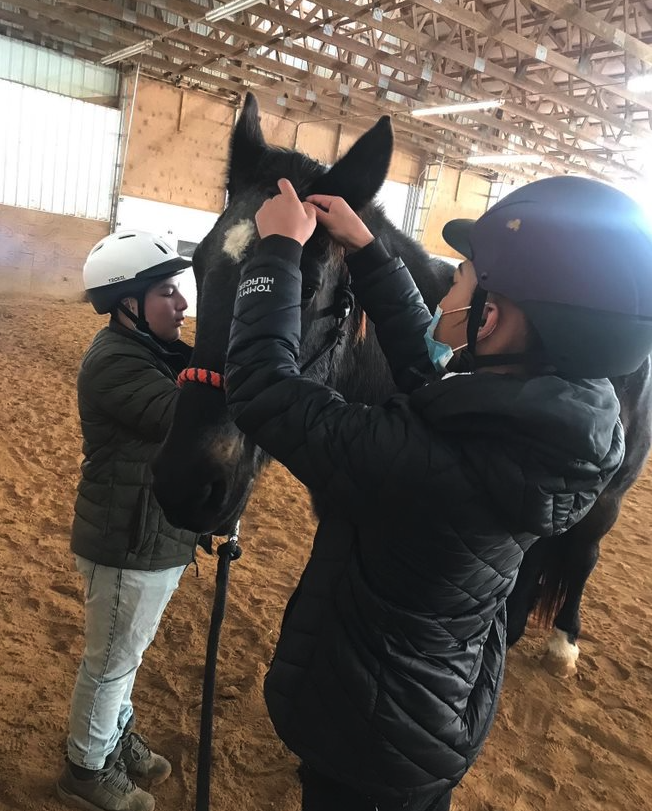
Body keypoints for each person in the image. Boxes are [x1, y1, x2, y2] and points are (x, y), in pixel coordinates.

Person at [223, 175, 652, 811]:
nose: (449, 287)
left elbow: (262, 389)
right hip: (429, 712)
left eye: (462, 279)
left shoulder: (424, 463)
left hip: (361, 739)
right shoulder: (550, 427)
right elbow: (433, 383)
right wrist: (368, 252)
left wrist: (276, 254)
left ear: (495, 320)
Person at [57, 230, 205, 811]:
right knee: (110, 662)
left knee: (125, 655)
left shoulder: (153, 352)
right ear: (128, 304)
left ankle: (109, 739)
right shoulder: (116, 362)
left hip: (149, 534)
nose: (183, 304)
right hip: (127, 539)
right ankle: (85, 772)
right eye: (168, 291)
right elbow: (188, 419)